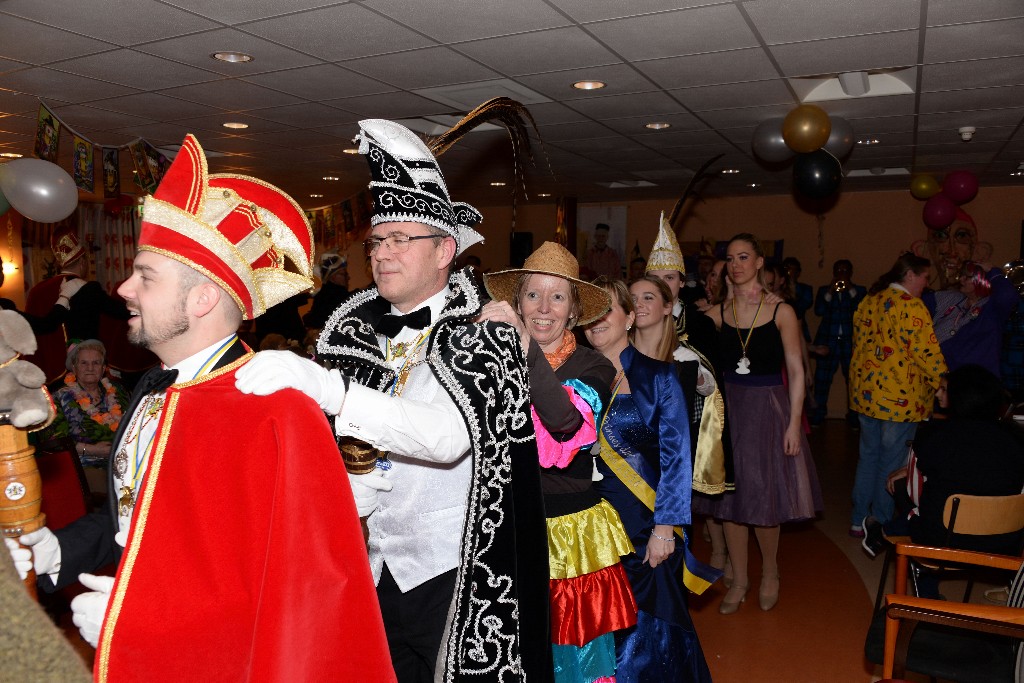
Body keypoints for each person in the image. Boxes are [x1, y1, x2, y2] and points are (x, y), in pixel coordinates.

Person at [11, 134, 392, 681]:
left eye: (146, 275)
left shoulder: (276, 411)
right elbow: (130, 519)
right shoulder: (151, 389)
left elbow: (292, 596)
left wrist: (138, 618)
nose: (122, 288)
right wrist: (59, 552)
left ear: (202, 299)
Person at [237, 115, 550, 683]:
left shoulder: (487, 329)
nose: (383, 252)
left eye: (402, 239)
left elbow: (447, 438)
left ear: (444, 250)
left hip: (455, 569)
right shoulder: (349, 329)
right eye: (378, 240)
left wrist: (332, 391)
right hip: (367, 563)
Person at [481, 242, 636, 683]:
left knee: (572, 660)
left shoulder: (594, 367)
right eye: (533, 295)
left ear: (573, 311)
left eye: (557, 297)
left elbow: (566, 425)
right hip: (506, 527)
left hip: (569, 535)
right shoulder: (490, 361)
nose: (544, 308)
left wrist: (524, 347)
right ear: (517, 303)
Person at [585, 277, 714, 682]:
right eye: (588, 311)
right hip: (588, 526)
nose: (597, 320)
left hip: (644, 526)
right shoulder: (572, 377)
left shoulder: (660, 377)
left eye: (606, 309)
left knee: (649, 631)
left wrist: (665, 527)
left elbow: (678, 459)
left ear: (628, 316)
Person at [702, 233, 823, 614]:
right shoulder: (716, 314)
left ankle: (770, 571)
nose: (736, 265)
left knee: (765, 498)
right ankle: (739, 578)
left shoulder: (781, 311)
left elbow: (797, 369)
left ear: (758, 263)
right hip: (728, 409)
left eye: (744, 257)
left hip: (768, 408)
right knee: (730, 501)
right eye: (731, 259)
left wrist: (793, 422)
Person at [849, 253, 947, 536]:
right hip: (900, 401)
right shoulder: (911, 306)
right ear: (910, 276)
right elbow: (926, 353)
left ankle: (858, 520)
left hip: (867, 396)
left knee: (867, 457)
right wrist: (943, 383)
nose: (926, 284)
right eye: (925, 277)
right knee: (890, 463)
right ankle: (879, 521)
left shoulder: (869, 300)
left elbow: (860, 345)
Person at [38, 339, 129, 468]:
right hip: (84, 466)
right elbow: (55, 442)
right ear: (74, 368)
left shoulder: (119, 391)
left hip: (125, 461)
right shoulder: (58, 398)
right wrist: (93, 450)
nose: (90, 368)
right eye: (84, 363)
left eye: (96, 363)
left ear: (103, 368)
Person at [924, 260, 1017, 377]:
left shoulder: (992, 308)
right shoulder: (952, 298)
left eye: (966, 277)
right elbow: (916, 302)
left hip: (976, 382)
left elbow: (1008, 295)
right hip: (943, 378)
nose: (960, 279)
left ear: (981, 280)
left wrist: (992, 271)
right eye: (961, 275)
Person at [809, 259, 864, 425]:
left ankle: (854, 418)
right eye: (838, 270)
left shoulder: (859, 290)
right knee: (822, 381)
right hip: (827, 342)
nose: (841, 273)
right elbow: (819, 310)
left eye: (845, 270)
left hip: (850, 343)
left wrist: (850, 288)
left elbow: (862, 309)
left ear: (851, 272)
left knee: (854, 382)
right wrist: (831, 291)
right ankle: (818, 416)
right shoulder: (824, 291)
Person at [302, 250, 350, 330]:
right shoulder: (337, 295)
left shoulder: (322, 295)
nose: (348, 277)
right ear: (332, 277)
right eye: (343, 274)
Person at [782, 256, 813, 343]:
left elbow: (802, 307)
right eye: (786, 268)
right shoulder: (778, 288)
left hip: (799, 330)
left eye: (792, 269)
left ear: (798, 272)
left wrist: (792, 287)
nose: (788, 272)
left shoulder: (806, 289)